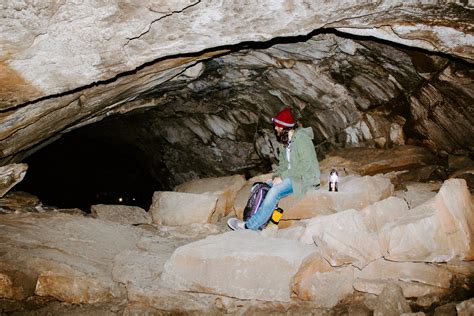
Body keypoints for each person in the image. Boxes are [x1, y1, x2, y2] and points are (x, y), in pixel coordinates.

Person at [228, 107, 320, 231]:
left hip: (305, 178)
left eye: (277, 126)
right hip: (291, 176)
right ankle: (256, 220)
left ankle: (249, 227)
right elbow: (282, 164)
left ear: (285, 127)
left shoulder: (302, 140)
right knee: (261, 187)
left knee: (274, 192)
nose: (275, 128)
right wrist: (276, 176)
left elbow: (305, 165)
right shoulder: (284, 142)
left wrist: (283, 177)